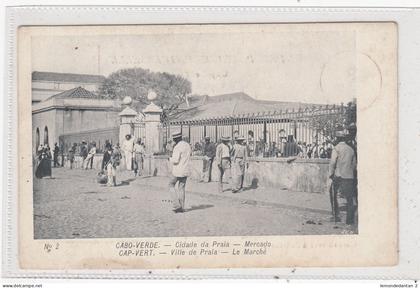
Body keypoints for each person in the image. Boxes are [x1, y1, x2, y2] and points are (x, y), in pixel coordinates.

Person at [329, 130, 357, 225]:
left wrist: (331, 174)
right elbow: (354, 165)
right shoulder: (351, 149)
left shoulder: (336, 148)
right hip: (349, 176)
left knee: (333, 194)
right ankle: (350, 220)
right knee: (349, 198)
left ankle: (336, 216)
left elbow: (333, 162)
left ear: (337, 138)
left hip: (339, 175)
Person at [168, 132, 191, 213]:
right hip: (185, 170)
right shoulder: (187, 145)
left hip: (178, 170)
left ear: (175, 139)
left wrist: (170, 158)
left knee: (171, 185)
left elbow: (175, 160)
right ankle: (182, 206)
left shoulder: (177, 147)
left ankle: (176, 204)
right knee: (181, 188)